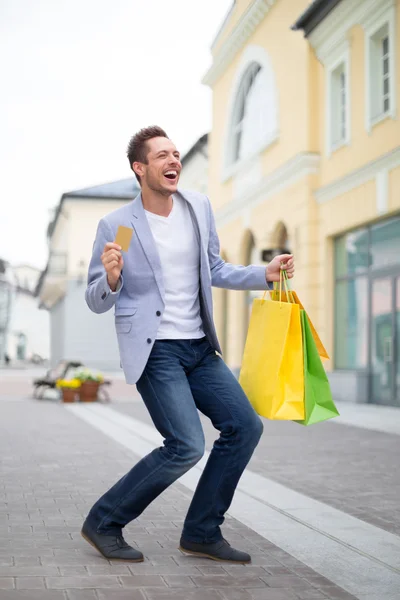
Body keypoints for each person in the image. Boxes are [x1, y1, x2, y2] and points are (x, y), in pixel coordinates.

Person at [82, 126, 295, 564]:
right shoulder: (119, 225)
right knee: (186, 445)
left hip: (199, 346)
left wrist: (263, 274)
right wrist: (113, 277)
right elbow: (96, 296)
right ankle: (104, 521)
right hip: (156, 349)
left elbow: (213, 267)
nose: (173, 160)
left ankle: (201, 531)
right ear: (140, 168)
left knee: (245, 427)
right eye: (161, 155)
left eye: (175, 153)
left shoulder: (197, 207)